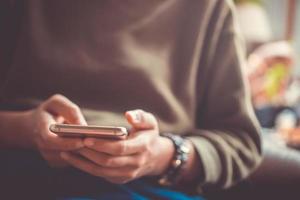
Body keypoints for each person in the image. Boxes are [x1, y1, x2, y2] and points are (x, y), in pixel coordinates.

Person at [0, 0, 262, 199]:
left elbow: (241, 142)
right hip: (20, 173)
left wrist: (162, 156)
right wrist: (26, 129)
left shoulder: (208, 8)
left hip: (150, 188)